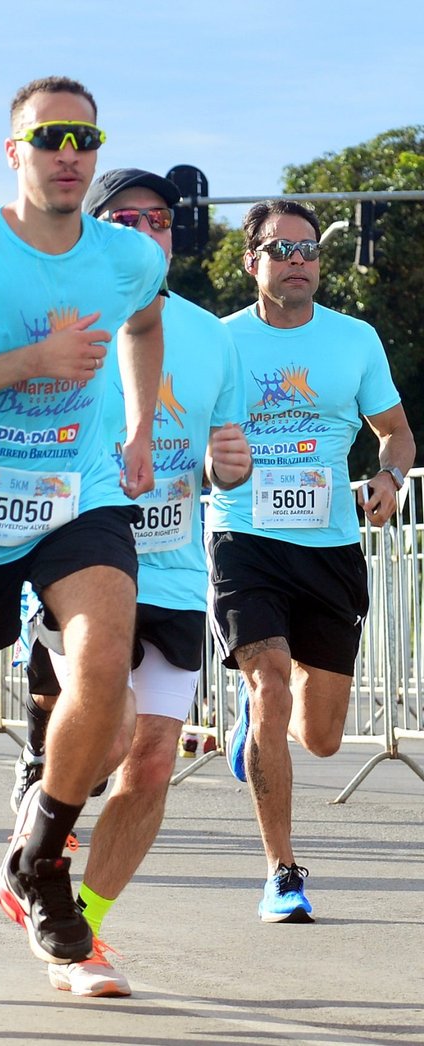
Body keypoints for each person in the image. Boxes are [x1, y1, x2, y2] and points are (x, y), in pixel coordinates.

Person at [0, 77, 166, 987]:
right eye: (48, 137)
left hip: (77, 491)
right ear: (13, 151)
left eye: (84, 139)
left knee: (102, 663)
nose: (68, 153)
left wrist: (135, 427)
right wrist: (36, 361)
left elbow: (146, 318)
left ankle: (40, 859)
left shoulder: (124, 257)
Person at [14, 169, 253, 996]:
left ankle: (83, 933)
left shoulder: (212, 336)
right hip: (79, 560)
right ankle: (35, 858)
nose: (147, 231)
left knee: (151, 764)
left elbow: (225, 455)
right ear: (99, 227)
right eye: (127, 219)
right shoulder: (68, 316)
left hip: (179, 570)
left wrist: (232, 465)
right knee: (107, 735)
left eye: (160, 219)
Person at [210, 199, 414, 921]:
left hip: (329, 547)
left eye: (308, 250)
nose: (298, 261)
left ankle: (258, 717)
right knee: (270, 683)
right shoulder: (219, 340)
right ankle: (282, 873)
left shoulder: (355, 339)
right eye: (280, 249)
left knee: (322, 738)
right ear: (252, 263)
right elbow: (183, 426)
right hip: (244, 538)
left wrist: (388, 478)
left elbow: (394, 432)